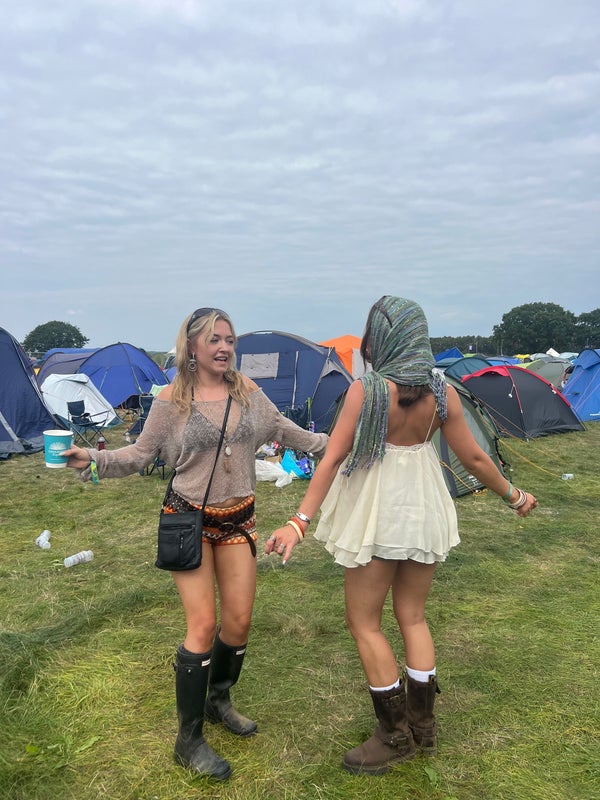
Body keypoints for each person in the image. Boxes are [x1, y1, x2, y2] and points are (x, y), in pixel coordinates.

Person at [266, 295, 538, 776]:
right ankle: (423, 725)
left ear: (379, 340)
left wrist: (299, 521)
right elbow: (475, 459)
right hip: (423, 505)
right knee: (413, 616)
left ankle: (394, 736)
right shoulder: (442, 391)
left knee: (364, 622)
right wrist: (514, 496)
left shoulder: (365, 391)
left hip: (377, 510)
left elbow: (331, 458)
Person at [63, 307, 328, 781]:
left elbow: (286, 431)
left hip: (238, 519)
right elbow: (140, 454)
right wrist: (96, 459)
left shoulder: (248, 393)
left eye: (229, 339)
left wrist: (334, 445)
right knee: (203, 625)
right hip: (188, 521)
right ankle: (188, 740)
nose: (224, 347)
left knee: (239, 622)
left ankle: (218, 699)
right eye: (214, 340)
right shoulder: (171, 400)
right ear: (192, 346)